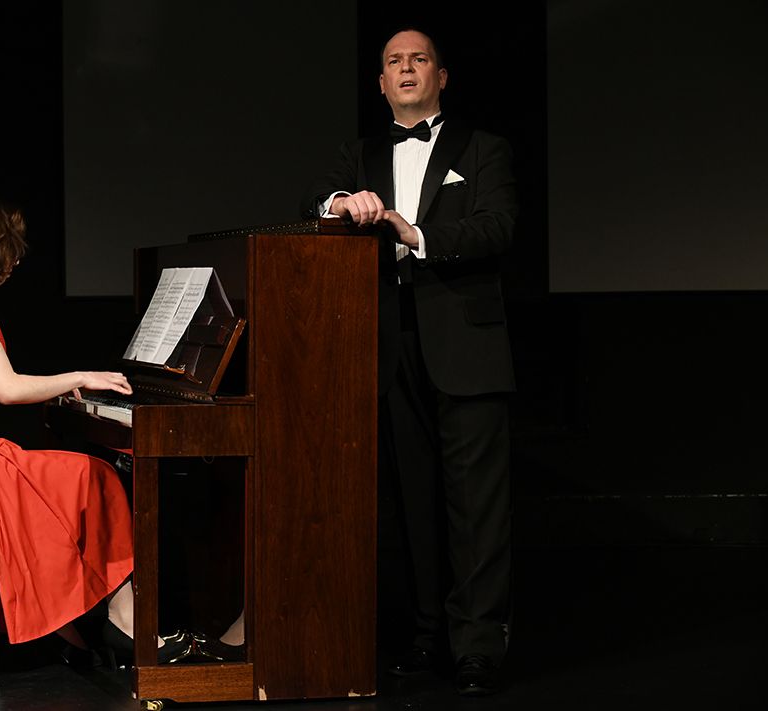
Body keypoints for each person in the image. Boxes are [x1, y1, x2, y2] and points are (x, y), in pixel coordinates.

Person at [0, 193, 190, 665]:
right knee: (96, 477)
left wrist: (58, 388)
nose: (16, 258)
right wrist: (80, 377)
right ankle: (121, 620)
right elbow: (6, 389)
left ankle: (71, 624)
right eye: (8, 247)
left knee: (54, 488)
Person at [301, 27, 517, 696]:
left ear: (440, 76)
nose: (405, 69)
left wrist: (416, 232)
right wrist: (341, 204)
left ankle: (478, 645)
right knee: (413, 500)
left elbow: (498, 225)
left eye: (418, 59)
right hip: (389, 344)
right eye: (394, 61)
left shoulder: (483, 148)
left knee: (475, 506)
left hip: (466, 345)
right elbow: (316, 203)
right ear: (380, 82)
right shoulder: (359, 154)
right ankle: (428, 634)